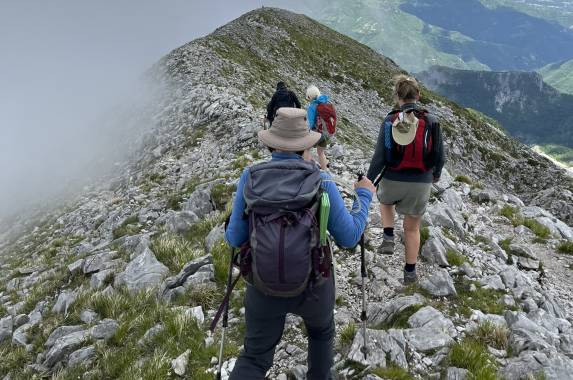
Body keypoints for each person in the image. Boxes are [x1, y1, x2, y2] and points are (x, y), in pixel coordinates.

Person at [226, 108, 375, 379]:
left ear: (272, 143)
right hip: (314, 286)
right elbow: (349, 237)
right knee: (320, 334)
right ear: (306, 145)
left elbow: (234, 238)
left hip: (262, 284)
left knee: (255, 357)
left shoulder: (250, 177)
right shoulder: (321, 180)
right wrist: (363, 197)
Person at [366, 75, 445, 284]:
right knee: (412, 229)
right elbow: (439, 155)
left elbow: (380, 156)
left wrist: (368, 181)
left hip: (392, 178)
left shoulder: (390, 120)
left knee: (384, 201)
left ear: (397, 97)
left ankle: (388, 236)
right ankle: (410, 273)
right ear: (418, 95)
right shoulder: (431, 120)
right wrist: (434, 175)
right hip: (420, 182)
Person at [306, 85, 336, 170]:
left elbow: (311, 124)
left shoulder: (312, 106)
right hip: (328, 133)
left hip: (318, 133)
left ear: (310, 96)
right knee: (320, 152)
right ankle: (325, 172)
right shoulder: (327, 102)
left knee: (306, 149)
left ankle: (307, 170)